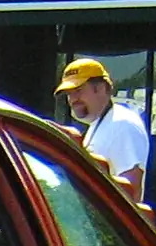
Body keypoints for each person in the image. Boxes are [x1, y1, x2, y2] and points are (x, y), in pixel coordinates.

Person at [57, 57, 150, 203]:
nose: (72, 99)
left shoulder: (122, 124)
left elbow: (130, 191)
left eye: (78, 90)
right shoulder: (99, 125)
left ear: (100, 88)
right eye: (69, 94)